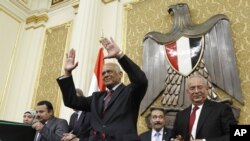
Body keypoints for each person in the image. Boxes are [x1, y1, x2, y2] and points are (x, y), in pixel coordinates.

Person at [57, 37, 148, 141]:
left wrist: (120, 56)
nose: (106, 75)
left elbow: (141, 80)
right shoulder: (96, 97)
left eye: (110, 71)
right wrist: (67, 73)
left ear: (120, 74)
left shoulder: (130, 93)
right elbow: (72, 101)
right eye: (103, 73)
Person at [172, 75, 237, 141]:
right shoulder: (181, 115)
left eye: (200, 87)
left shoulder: (222, 109)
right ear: (187, 92)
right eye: (192, 88)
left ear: (207, 89)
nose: (196, 91)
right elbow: (174, 137)